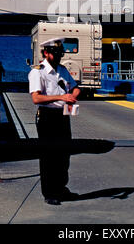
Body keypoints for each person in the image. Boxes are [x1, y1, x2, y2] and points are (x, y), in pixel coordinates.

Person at [28, 38, 81, 205]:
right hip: (47, 116)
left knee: (64, 154)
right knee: (49, 155)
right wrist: (61, 96)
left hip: (62, 115)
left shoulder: (62, 70)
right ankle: (50, 193)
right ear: (46, 53)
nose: (58, 57)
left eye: (60, 53)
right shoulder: (38, 72)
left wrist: (73, 95)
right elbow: (36, 98)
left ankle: (61, 189)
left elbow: (74, 87)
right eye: (55, 54)